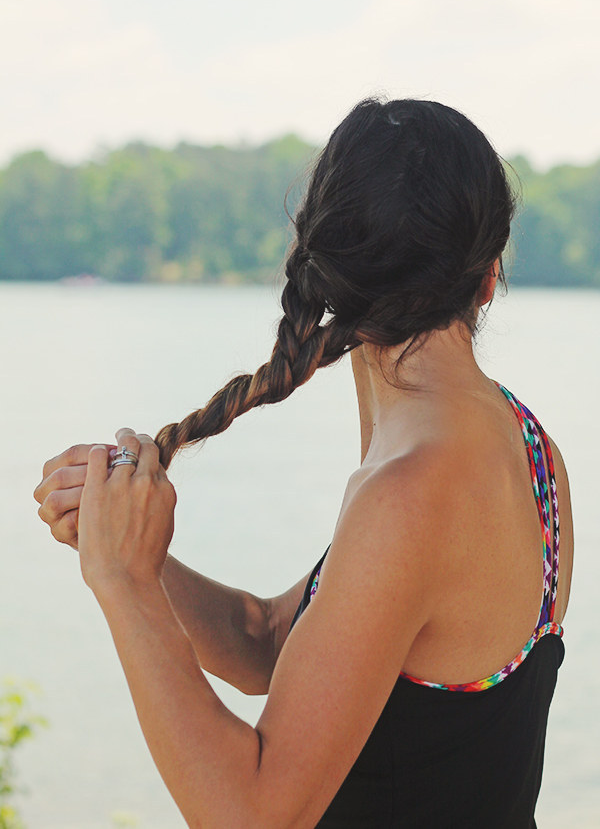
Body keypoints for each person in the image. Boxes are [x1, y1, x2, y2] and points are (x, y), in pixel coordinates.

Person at [34, 98, 573, 828]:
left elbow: (253, 815)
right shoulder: (529, 447)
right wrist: (126, 544)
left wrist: (123, 584)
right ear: (489, 275)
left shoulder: (411, 493)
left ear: (324, 274)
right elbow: (266, 642)